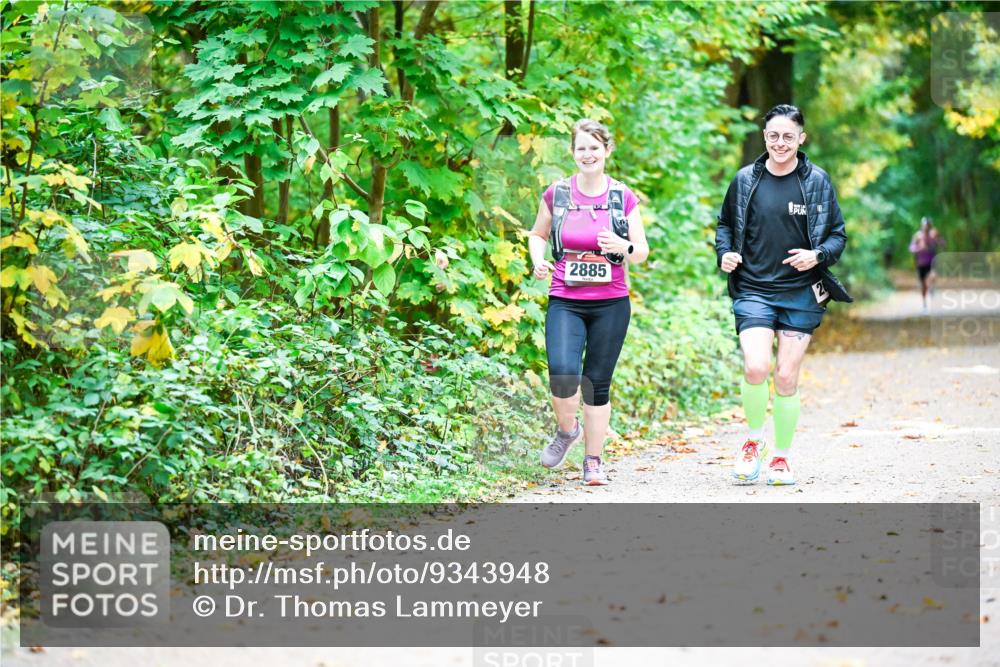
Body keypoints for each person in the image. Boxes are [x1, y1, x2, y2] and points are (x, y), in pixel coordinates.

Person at [715, 104, 852, 486]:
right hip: (754, 288)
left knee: (787, 376)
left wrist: (818, 255)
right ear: (764, 137)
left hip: (801, 293)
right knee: (756, 367)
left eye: (788, 136)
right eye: (773, 135)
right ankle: (754, 441)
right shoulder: (745, 181)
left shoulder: (817, 182)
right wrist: (724, 253)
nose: (780, 143)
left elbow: (838, 235)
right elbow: (725, 225)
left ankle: (781, 457)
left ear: (801, 139)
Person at [527, 119, 649, 485]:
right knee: (562, 374)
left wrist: (623, 247)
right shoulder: (558, 194)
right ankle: (567, 431)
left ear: (607, 151)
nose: (588, 154)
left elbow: (641, 250)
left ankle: (593, 461)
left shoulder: (622, 197)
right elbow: (537, 234)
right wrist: (537, 259)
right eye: (581, 148)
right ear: (573, 152)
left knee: (597, 381)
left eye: (595, 148)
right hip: (566, 297)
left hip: (611, 302)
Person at [909, 217, 943, 313]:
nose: (927, 228)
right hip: (921, 263)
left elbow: (943, 243)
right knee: (923, 285)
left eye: (928, 226)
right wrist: (918, 248)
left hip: (932, 261)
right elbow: (911, 248)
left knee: (933, 276)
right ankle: (924, 304)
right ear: (922, 226)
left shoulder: (933, 235)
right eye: (925, 226)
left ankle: (932, 288)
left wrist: (938, 241)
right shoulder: (917, 236)